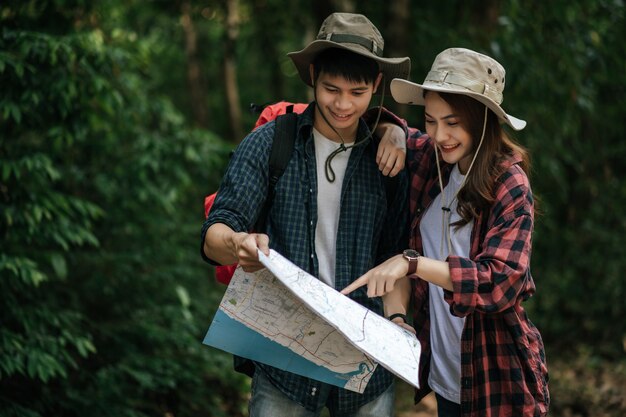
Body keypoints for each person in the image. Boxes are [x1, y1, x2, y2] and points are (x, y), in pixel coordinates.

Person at [201, 12, 412, 417]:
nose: (343, 104)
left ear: (377, 86)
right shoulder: (271, 143)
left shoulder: (389, 162)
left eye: (358, 92)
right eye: (332, 89)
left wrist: (399, 319)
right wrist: (238, 242)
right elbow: (216, 233)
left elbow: (396, 255)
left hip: (365, 360)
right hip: (285, 357)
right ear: (312, 75)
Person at [342, 48, 550, 416]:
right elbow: (377, 120)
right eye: (431, 120)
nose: (440, 135)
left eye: (452, 122)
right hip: (445, 375)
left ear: (482, 119)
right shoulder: (429, 159)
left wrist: (413, 264)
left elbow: (501, 281)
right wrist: (392, 132)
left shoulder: (509, 183)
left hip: (496, 375)